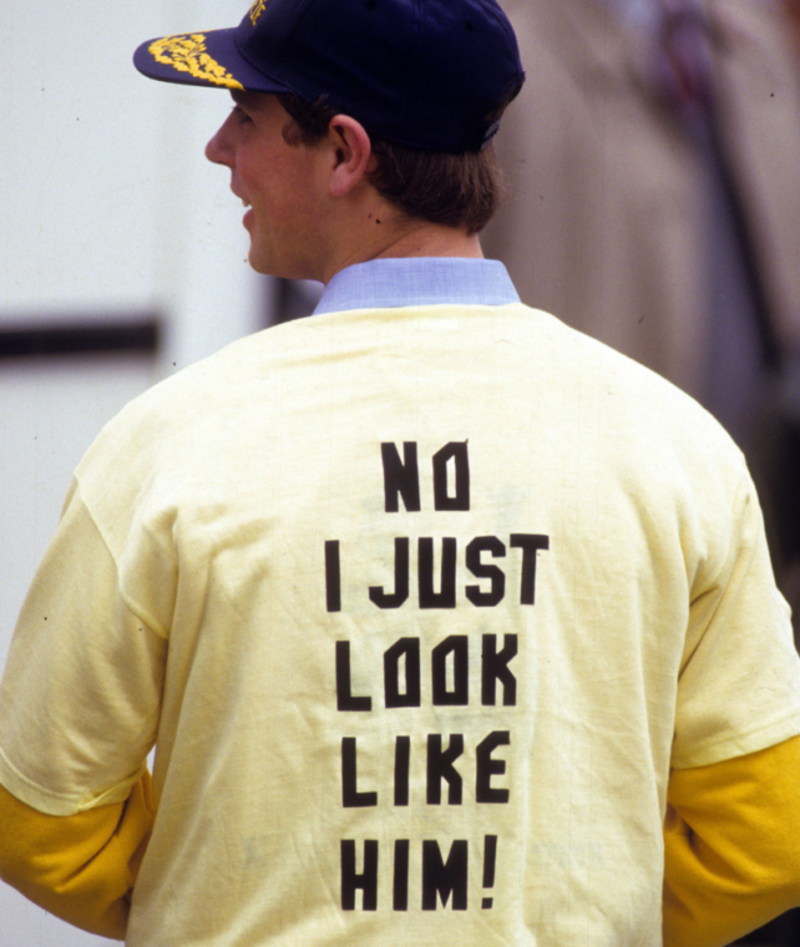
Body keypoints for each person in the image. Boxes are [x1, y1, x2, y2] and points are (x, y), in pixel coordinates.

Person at [1, 1, 799, 945]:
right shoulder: (676, 447)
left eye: (246, 117)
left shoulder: (166, 446)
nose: (218, 150)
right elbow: (764, 837)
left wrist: (217, 894)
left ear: (345, 153)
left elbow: (45, 819)